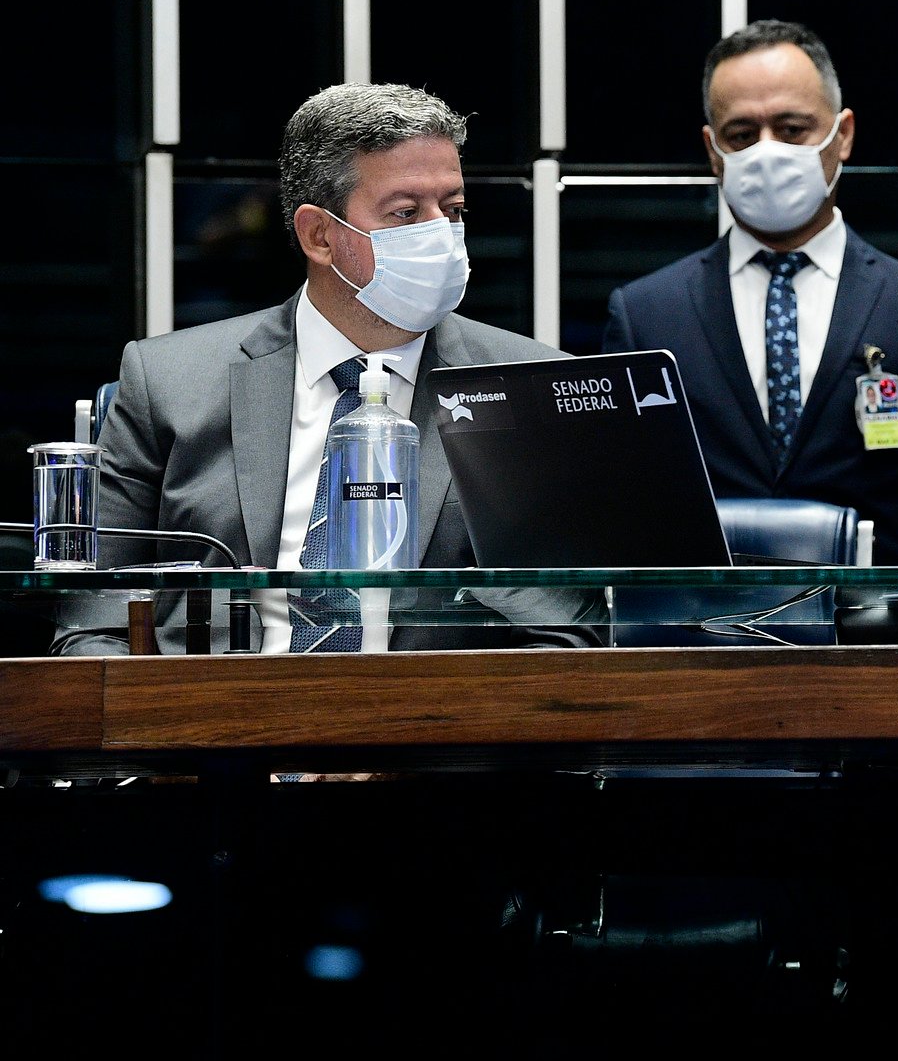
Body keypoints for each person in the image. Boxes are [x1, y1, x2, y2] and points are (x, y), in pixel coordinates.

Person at [57, 84, 602, 653]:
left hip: (439, 726)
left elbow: (561, 632)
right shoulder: (167, 382)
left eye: (454, 210)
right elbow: (94, 625)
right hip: (216, 721)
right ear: (319, 235)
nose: (442, 234)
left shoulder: (531, 384)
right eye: (407, 213)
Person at [603, 20, 898, 565]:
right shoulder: (645, 315)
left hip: (870, 631)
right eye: (741, 135)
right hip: (698, 628)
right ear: (713, 151)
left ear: (843, 134)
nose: (767, 151)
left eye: (792, 129)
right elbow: (622, 498)